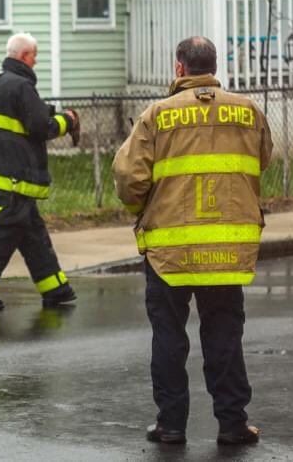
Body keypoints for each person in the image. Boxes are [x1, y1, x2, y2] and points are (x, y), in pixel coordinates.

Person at [112, 36, 272, 446]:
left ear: (179, 68)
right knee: (224, 336)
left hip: (170, 252)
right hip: (227, 249)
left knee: (169, 336)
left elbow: (130, 179)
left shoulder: (156, 115)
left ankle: (171, 426)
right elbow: (263, 157)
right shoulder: (248, 110)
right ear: (213, 67)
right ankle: (233, 424)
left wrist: (143, 208)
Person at [0, 33, 80, 311]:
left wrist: (43, 112)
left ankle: (56, 289)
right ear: (24, 56)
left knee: (33, 236)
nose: (35, 61)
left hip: (2, 174)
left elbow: (20, 120)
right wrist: (68, 121)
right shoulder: (22, 86)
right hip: (18, 178)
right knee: (1, 234)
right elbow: (41, 128)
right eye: (34, 56)